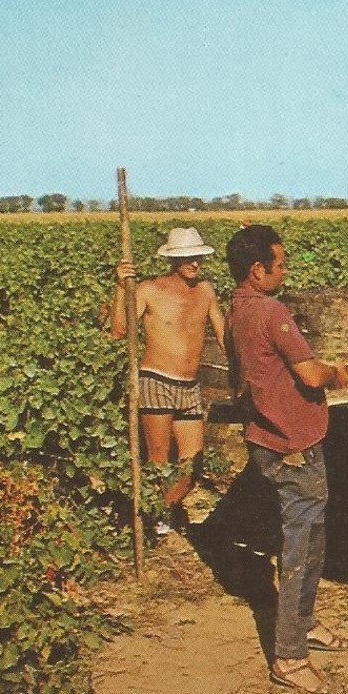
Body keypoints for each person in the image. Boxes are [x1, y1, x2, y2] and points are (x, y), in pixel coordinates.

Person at [223, 224, 348, 694]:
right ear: (258, 271)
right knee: (301, 547)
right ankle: (289, 656)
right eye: (280, 263)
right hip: (292, 446)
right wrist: (341, 372)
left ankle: (305, 622)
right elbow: (311, 374)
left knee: (311, 539)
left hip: (268, 439)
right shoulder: (272, 311)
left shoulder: (236, 307)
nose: (285, 269)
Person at [111, 227, 226, 535]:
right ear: (173, 260)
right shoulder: (149, 289)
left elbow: (223, 334)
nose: (195, 263)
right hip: (156, 380)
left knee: (192, 466)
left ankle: (161, 509)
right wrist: (121, 287)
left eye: (198, 257)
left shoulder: (206, 290)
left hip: (190, 386)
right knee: (159, 458)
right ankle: (155, 520)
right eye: (187, 258)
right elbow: (120, 330)